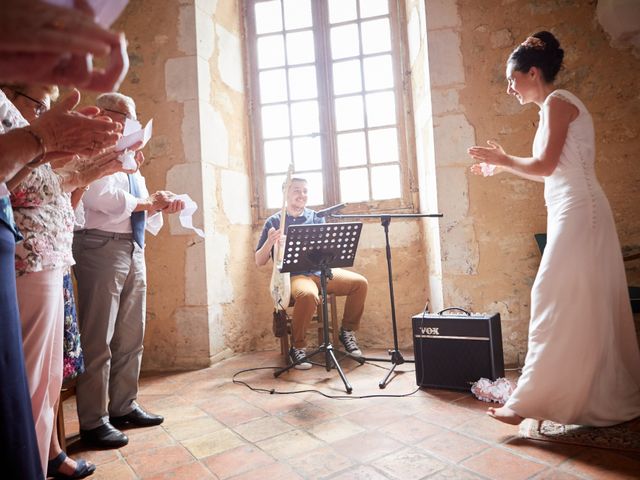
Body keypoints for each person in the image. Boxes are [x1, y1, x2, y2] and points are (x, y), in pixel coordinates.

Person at [468, 31, 640, 426]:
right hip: (569, 205)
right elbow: (552, 173)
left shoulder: (559, 102)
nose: (510, 87)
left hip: (581, 210)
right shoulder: (552, 107)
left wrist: (505, 157)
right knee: (577, 300)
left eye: (513, 78)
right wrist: (501, 165)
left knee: (548, 291)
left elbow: (545, 165)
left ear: (533, 72)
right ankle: (576, 391)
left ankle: (527, 401)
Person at [72, 92, 185, 449]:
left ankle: (123, 406)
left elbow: (139, 206)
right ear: (106, 114)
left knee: (131, 335)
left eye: (135, 118)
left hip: (133, 248)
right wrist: (145, 203)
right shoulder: (91, 147)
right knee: (98, 337)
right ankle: (93, 421)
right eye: (127, 117)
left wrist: (160, 205)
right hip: (100, 247)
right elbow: (97, 198)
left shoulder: (130, 156)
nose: (133, 125)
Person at [255, 177, 368, 369]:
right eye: (297, 190)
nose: (302, 195)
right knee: (307, 295)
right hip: (295, 275)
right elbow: (259, 261)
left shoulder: (316, 217)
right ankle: (297, 348)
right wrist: (270, 242)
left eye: (305, 191)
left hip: (321, 271)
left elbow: (326, 248)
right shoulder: (274, 220)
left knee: (359, 283)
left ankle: (347, 331)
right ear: (286, 193)